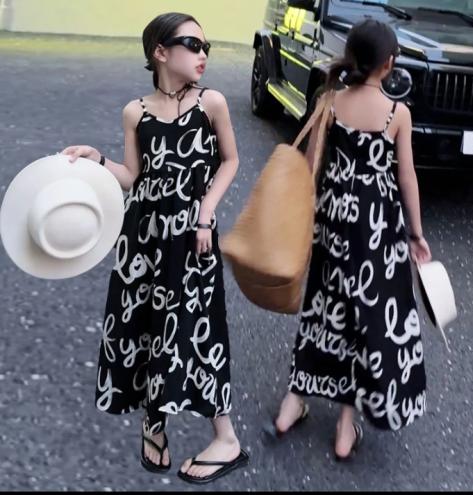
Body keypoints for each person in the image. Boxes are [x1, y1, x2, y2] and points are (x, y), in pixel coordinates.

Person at [62, 12, 248, 484]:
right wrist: (96, 159)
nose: (203, 54)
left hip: (191, 237)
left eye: (207, 47)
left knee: (198, 329)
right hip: (141, 238)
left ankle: (226, 438)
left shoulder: (211, 103)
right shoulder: (135, 112)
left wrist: (205, 213)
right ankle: (154, 423)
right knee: (145, 327)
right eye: (193, 44)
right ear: (160, 52)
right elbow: (132, 176)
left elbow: (230, 161)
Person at [265, 19, 432, 461]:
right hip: (377, 231)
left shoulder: (330, 101)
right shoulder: (397, 114)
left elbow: (310, 164)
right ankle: (344, 427)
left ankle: (292, 403)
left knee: (323, 308)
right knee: (366, 319)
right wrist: (416, 233)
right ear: (389, 64)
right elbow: (407, 177)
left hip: (331, 222)